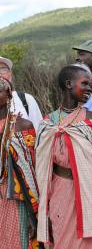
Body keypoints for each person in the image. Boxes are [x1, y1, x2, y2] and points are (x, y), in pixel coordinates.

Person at [35, 64, 92, 248]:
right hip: (60, 191)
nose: (89, 89)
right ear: (69, 84)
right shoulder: (48, 123)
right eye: (85, 83)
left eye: (90, 84)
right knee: (62, 238)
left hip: (91, 191)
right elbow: (42, 164)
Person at [0, 77, 40, 249]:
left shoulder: (22, 125)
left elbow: (31, 170)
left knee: (16, 240)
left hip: (15, 195)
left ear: (8, 94)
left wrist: (34, 214)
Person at [0, 56, 43, 131]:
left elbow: (39, 133)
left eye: (3, 70)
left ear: (10, 74)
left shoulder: (25, 99)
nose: (0, 75)